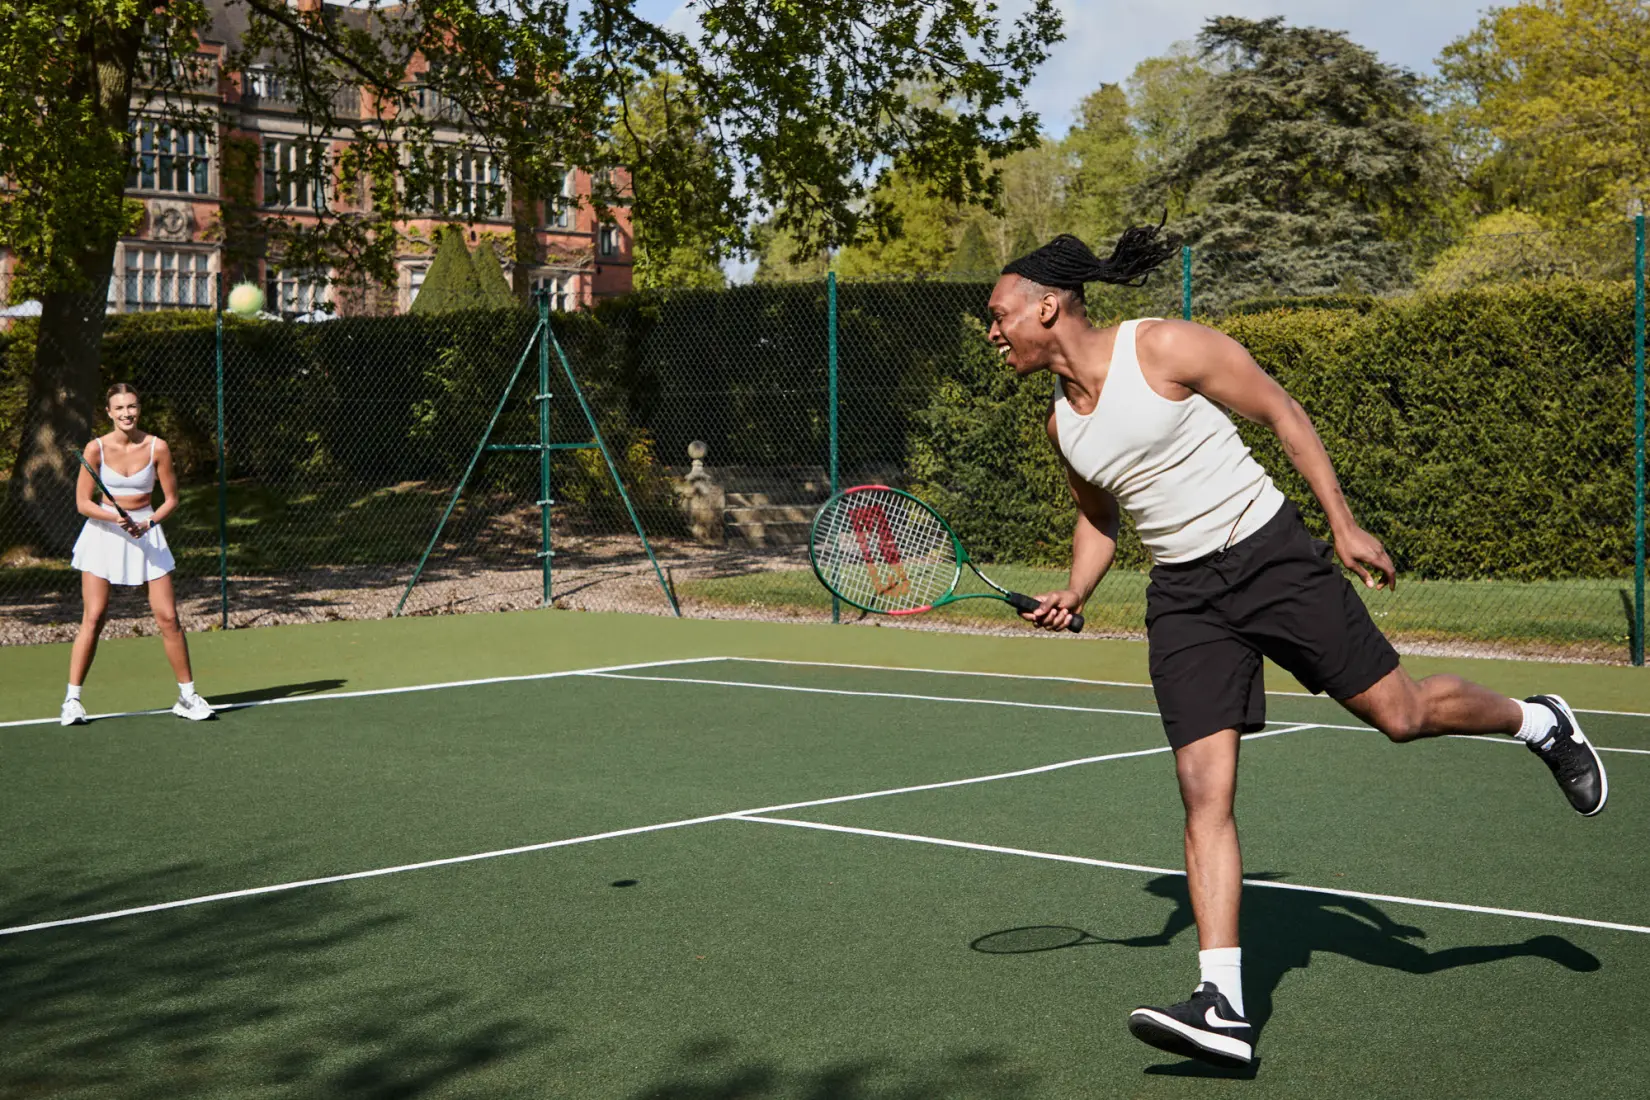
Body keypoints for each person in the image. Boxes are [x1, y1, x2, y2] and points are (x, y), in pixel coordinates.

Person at [987, 228, 1607, 1068]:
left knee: (1402, 713)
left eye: (1000, 315)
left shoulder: (1161, 345)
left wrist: (1343, 523)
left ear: (1047, 307)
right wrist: (1077, 589)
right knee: (1202, 789)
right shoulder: (1065, 425)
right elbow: (1101, 514)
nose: (994, 332)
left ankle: (1539, 721)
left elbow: (1280, 409)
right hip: (1184, 598)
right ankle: (1223, 1006)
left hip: (1268, 555)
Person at [62, 383, 213, 726]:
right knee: (94, 616)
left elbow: (171, 498)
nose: (127, 414)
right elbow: (83, 503)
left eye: (132, 407)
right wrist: (114, 517)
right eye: (120, 409)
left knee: (168, 617)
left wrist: (150, 522)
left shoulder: (157, 447)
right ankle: (72, 700)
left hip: (147, 533)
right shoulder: (95, 448)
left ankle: (187, 696)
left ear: (138, 409)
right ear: (109, 413)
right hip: (103, 535)